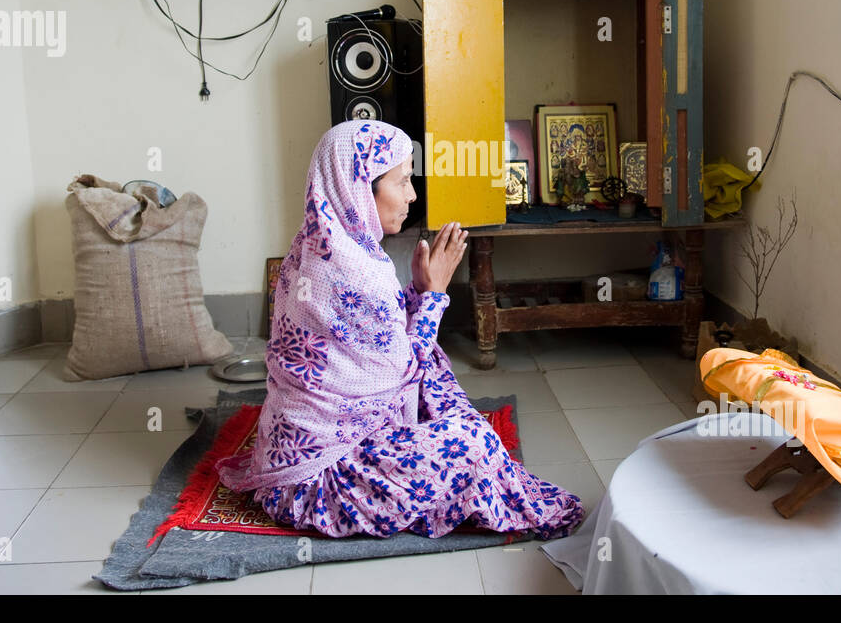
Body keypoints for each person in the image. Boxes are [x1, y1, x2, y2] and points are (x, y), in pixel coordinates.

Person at [215, 119, 586, 541]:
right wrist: (435, 295)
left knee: (448, 409)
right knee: (470, 442)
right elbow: (401, 371)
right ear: (359, 188)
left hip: (288, 450)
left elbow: (367, 346)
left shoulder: (312, 247)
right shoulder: (357, 274)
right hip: (318, 476)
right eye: (402, 181)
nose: (412, 195)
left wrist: (415, 291)